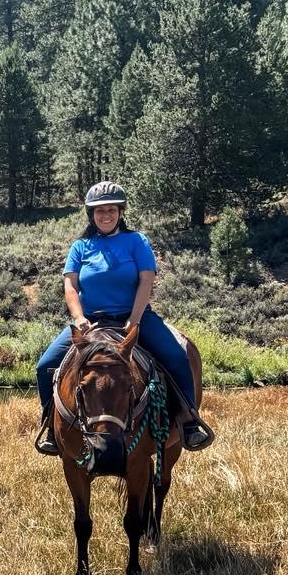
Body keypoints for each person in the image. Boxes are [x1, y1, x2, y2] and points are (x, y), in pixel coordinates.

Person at [35, 182, 210, 456]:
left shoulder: (136, 241)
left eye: (111, 210)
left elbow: (146, 281)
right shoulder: (81, 247)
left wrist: (135, 319)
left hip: (134, 317)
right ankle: (51, 428)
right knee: (44, 365)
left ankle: (189, 423)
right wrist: (79, 318)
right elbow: (70, 286)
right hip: (91, 321)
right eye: (100, 211)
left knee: (176, 357)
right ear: (91, 214)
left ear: (120, 212)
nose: (106, 215)